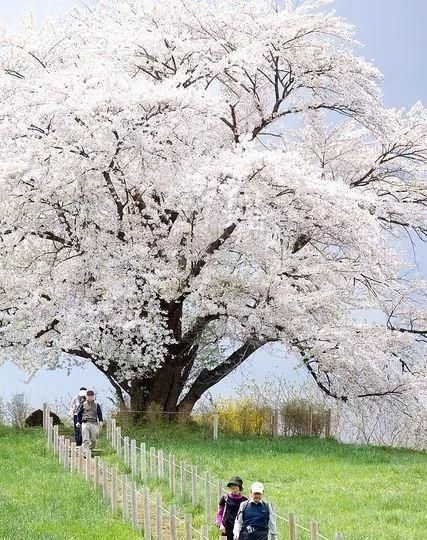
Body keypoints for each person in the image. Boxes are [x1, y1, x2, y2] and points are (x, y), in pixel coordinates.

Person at [76, 390, 103, 455]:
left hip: (93, 423)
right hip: (85, 423)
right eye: (89, 396)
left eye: (91, 396)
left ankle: (89, 449)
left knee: (93, 440)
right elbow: (79, 413)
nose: (90, 397)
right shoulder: (83, 404)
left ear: (93, 397)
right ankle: (86, 453)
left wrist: (101, 420)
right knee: (86, 439)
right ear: (86, 396)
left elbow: (99, 413)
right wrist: (78, 422)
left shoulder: (97, 405)